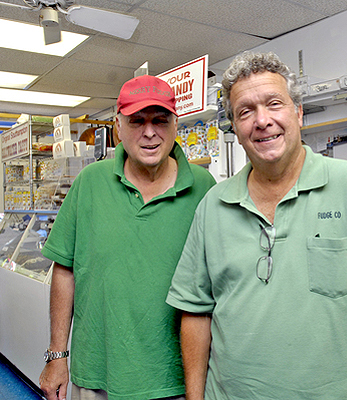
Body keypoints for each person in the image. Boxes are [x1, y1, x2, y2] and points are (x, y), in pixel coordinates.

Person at [166, 52, 347, 400]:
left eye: (274, 104)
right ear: (236, 129)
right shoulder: (213, 207)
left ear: (298, 112)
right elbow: (196, 312)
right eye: (245, 111)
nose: (262, 121)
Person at [39, 75, 216, 400]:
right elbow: (64, 270)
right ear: (118, 126)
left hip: (176, 379)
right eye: (137, 121)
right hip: (97, 375)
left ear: (175, 124)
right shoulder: (90, 182)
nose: (149, 132)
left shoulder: (204, 187)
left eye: (160, 121)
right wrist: (57, 354)